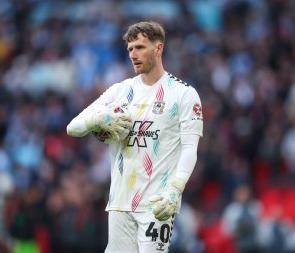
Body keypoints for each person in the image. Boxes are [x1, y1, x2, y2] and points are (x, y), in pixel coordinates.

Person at [66, 21, 203, 252]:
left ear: (158, 49)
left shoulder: (184, 95)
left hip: (158, 203)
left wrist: (175, 189)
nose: (133, 54)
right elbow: (73, 127)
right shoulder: (120, 92)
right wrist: (97, 119)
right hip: (120, 203)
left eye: (140, 47)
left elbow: (190, 148)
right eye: (130, 49)